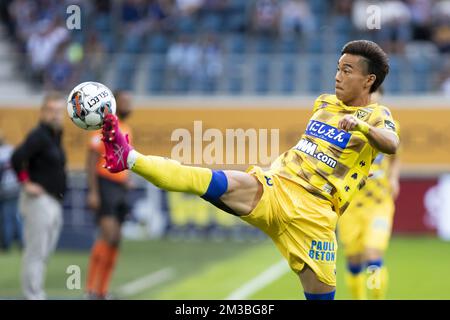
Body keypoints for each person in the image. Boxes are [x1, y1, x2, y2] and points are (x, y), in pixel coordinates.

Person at [100, 40, 400, 300]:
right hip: (277, 187)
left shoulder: (377, 115)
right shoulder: (323, 102)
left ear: (368, 80)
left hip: (315, 216)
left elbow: (392, 143)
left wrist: (361, 127)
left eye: (347, 70)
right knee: (210, 179)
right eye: (337, 67)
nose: (337, 76)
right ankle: (128, 157)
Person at [338, 87, 400, 300]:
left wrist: (393, 177)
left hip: (379, 204)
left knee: (374, 256)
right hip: (351, 205)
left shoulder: (388, 125)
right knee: (354, 262)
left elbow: (395, 155)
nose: (372, 98)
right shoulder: (346, 123)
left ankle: (377, 298)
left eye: (376, 94)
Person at [11, 92, 67, 300]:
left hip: (52, 200)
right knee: (36, 251)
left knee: (45, 251)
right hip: (39, 201)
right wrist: (26, 183)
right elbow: (17, 158)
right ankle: (33, 295)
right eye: (52, 111)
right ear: (43, 112)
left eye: (59, 111)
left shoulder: (54, 135)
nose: (56, 115)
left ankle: (36, 291)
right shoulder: (39, 136)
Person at [85, 90, 133, 299]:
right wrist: (93, 192)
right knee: (108, 235)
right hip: (104, 185)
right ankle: (90, 290)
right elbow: (90, 161)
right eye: (125, 101)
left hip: (119, 188)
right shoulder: (103, 127)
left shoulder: (126, 128)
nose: (129, 105)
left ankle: (102, 291)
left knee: (116, 239)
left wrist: (126, 179)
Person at [0, 130, 22, 251]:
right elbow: (21, 167)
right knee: (17, 217)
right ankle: (22, 242)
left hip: (5, 189)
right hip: (16, 187)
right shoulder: (11, 150)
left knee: (6, 218)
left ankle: (6, 244)